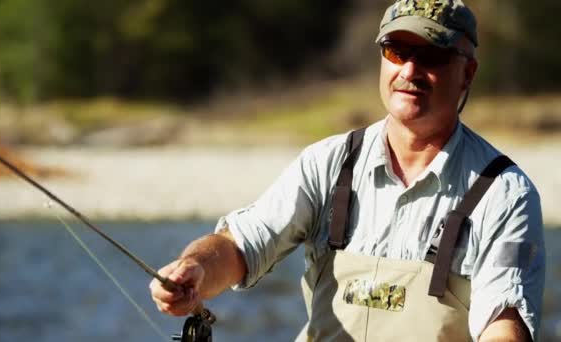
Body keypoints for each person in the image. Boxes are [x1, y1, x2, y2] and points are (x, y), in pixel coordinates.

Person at [150, 0, 545, 341]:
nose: (409, 70)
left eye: (431, 55)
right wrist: (197, 267)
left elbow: (504, 322)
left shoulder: (505, 193)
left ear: (468, 74)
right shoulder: (326, 163)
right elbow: (239, 246)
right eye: (396, 50)